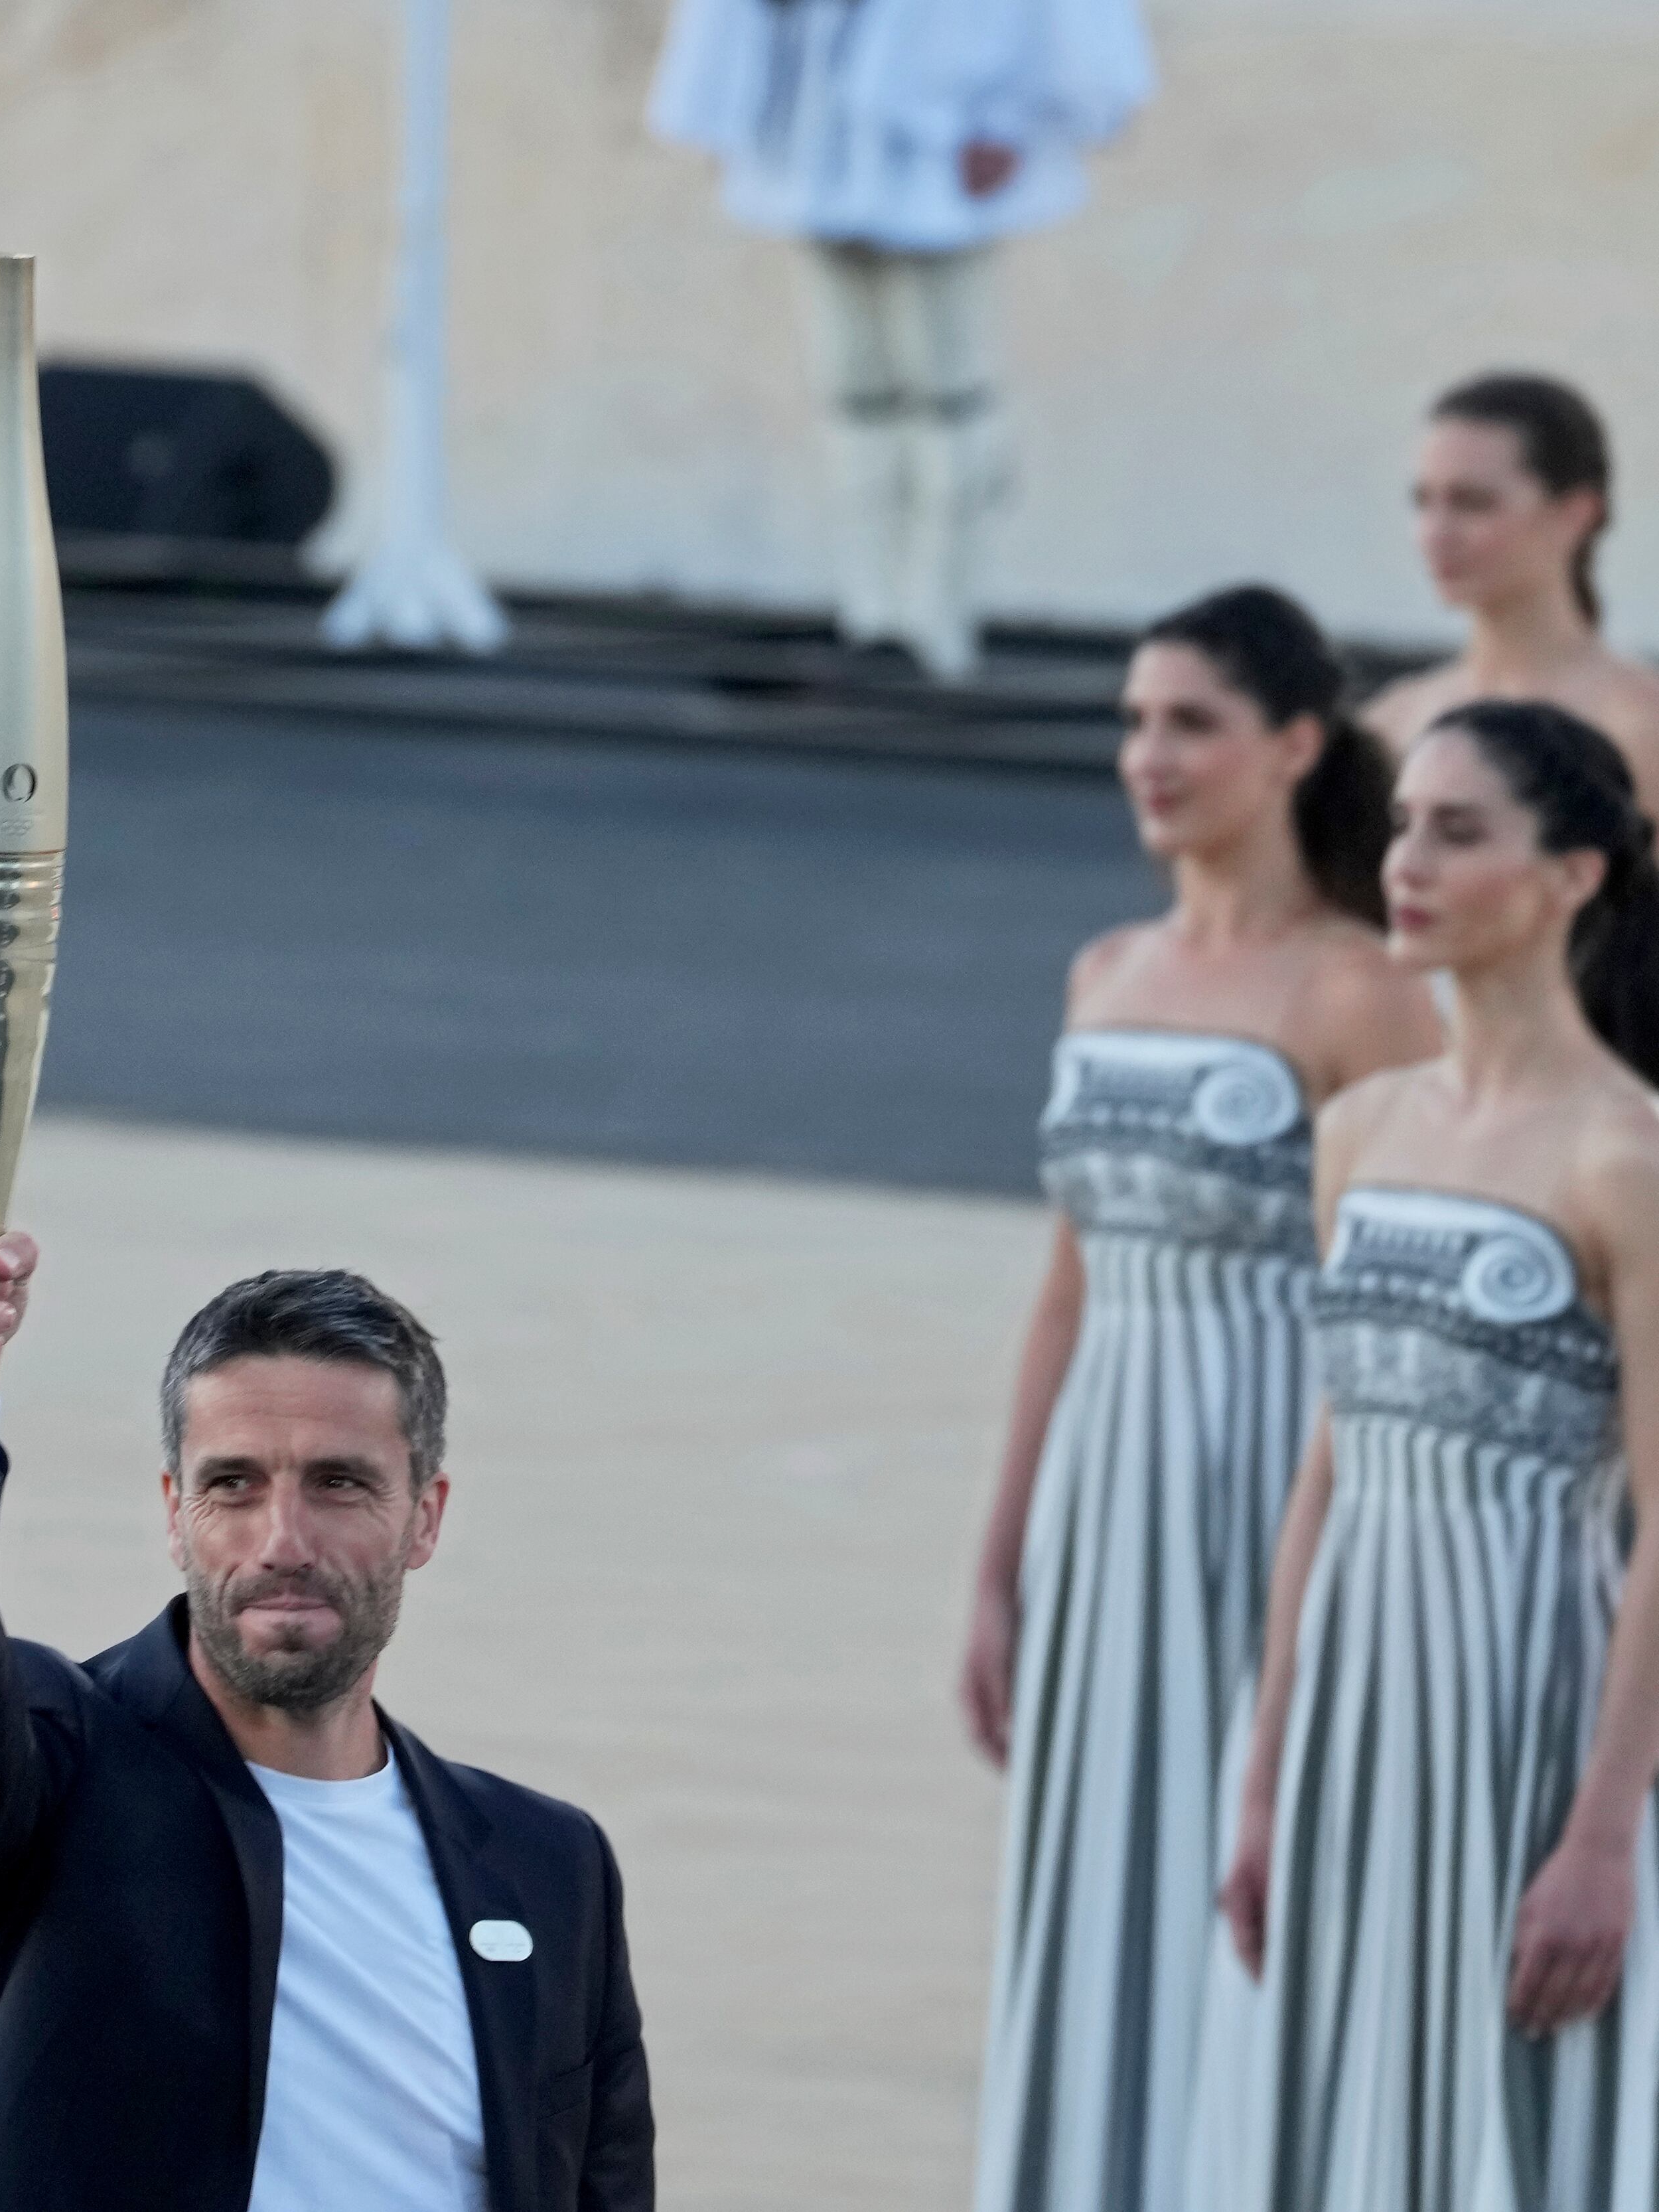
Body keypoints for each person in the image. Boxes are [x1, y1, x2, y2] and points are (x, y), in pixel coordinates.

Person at [0, 1185, 653, 2212]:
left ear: (425, 1516)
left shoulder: (550, 1865)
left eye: (340, 1483)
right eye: (233, 1483)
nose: (283, 1541)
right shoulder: (49, 1766)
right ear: (174, 1515)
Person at [959, 585, 1444, 2212]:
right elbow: (1066, 1283)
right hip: (1109, 1494)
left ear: (1295, 747)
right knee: (1095, 1868)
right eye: (1134, 721)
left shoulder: (1359, 990)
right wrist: (1001, 1552)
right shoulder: (1104, 968)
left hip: (1270, 1484)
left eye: (1190, 724)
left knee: (1245, 1871)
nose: (1147, 756)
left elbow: (1389, 1294)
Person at [1204, 701, 1659, 2210]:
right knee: (1343, 2118)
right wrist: (1264, 1774)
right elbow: (1323, 1473)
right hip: (1354, 1696)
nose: (1409, 861)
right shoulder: (1364, 1128)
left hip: (1537, 1696)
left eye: (1460, 833)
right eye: (1405, 823)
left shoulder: (1625, 1155)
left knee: (1519, 2132)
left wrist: (1603, 1835)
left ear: (1575, 876)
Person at [647, 0, 1154, 680]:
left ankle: (936, 625)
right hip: (819, 134)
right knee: (853, 389)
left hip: (940, 140)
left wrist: (1011, 118)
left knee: (949, 393)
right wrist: (730, 101)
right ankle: (873, 613)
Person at [1364, 374, 1659, 796]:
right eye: (1424, 502)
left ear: (1577, 514)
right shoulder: (1390, 725)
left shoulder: (1644, 727)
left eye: (1473, 503)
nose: (1437, 533)